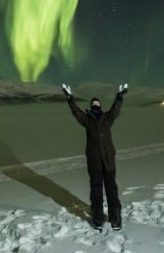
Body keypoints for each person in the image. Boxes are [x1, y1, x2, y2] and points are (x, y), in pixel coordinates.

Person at [62, 82, 128, 230]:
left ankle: (115, 219)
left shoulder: (106, 118)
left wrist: (119, 96)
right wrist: (70, 97)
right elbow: (76, 112)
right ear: (91, 106)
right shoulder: (87, 120)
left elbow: (115, 110)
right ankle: (97, 219)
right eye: (94, 103)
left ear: (100, 105)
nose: (96, 104)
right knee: (96, 191)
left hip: (108, 161)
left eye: (98, 103)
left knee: (112, 190)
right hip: (95, 162)